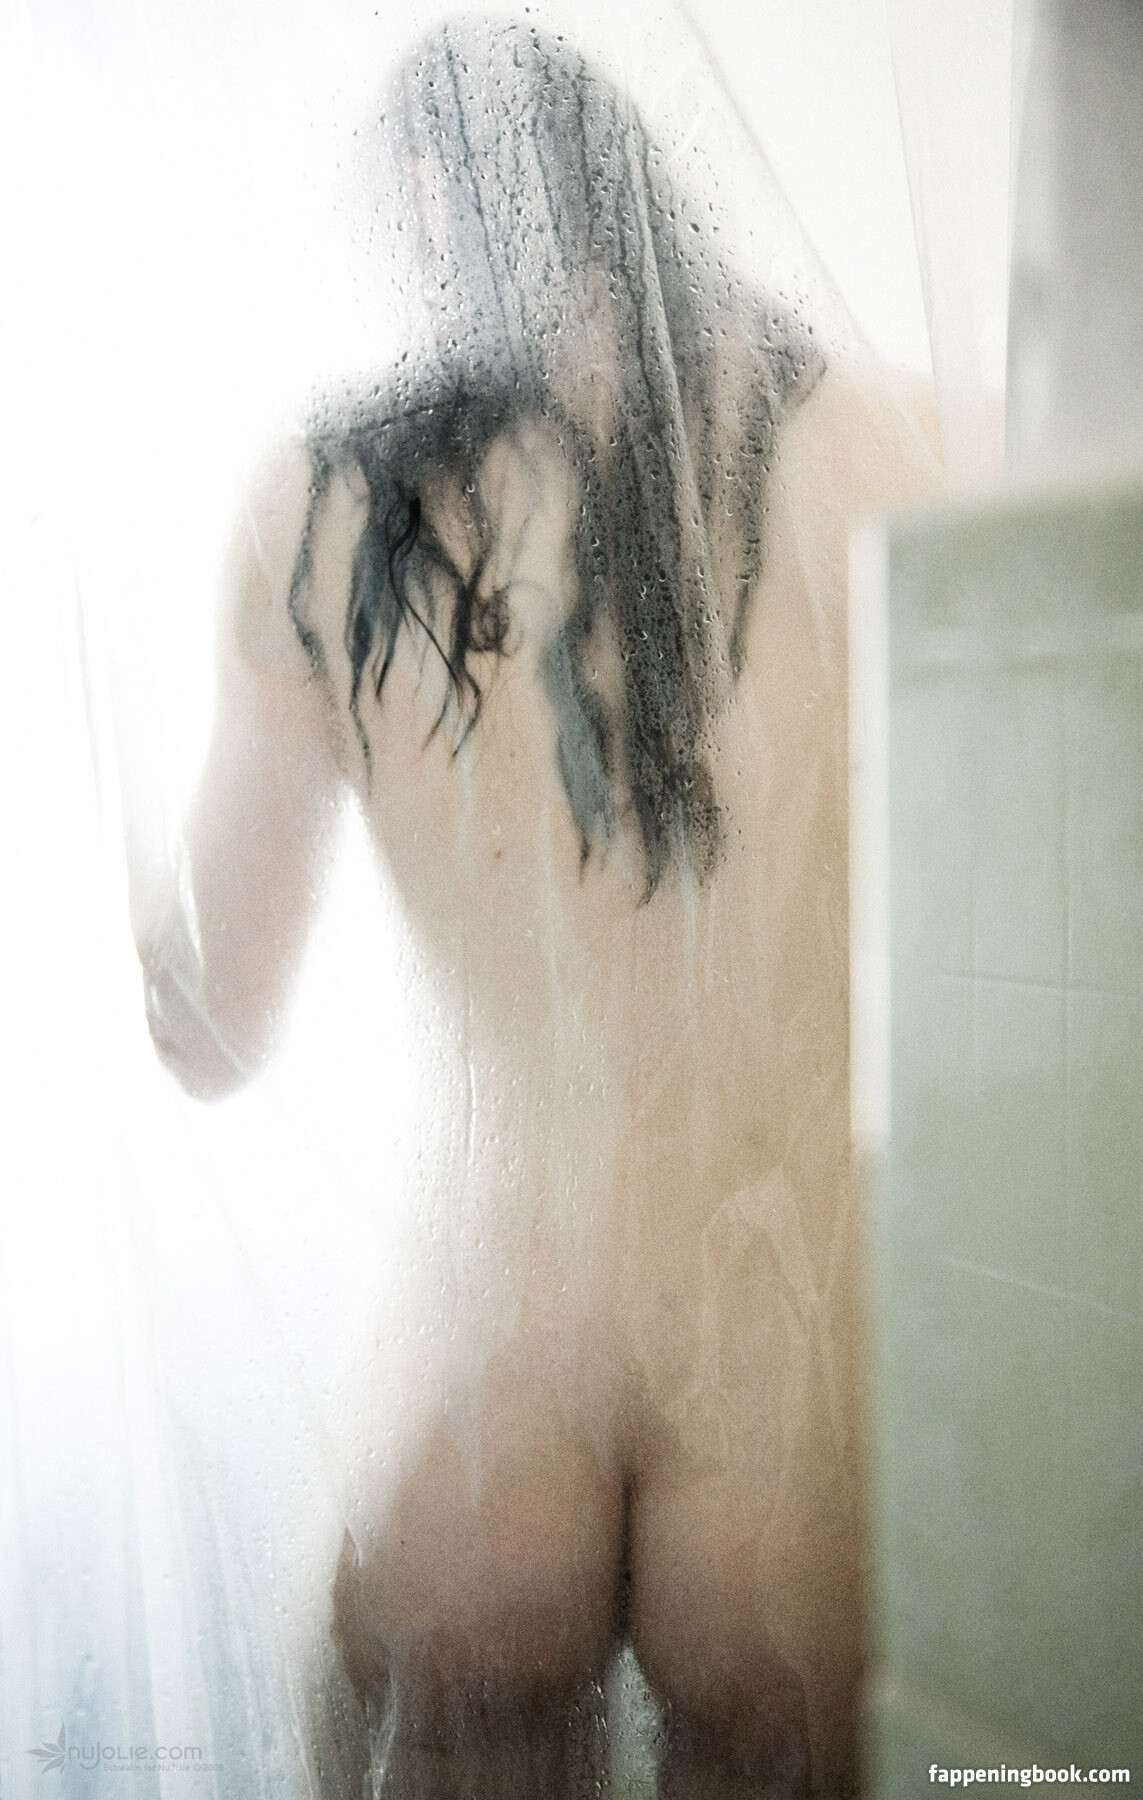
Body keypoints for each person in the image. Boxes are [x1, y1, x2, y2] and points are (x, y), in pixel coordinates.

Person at [137, 19, 939, 1797]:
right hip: (802, 1344)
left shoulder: (321, 514)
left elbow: (214, 1030)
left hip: (487, 1346)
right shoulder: (901, 446)